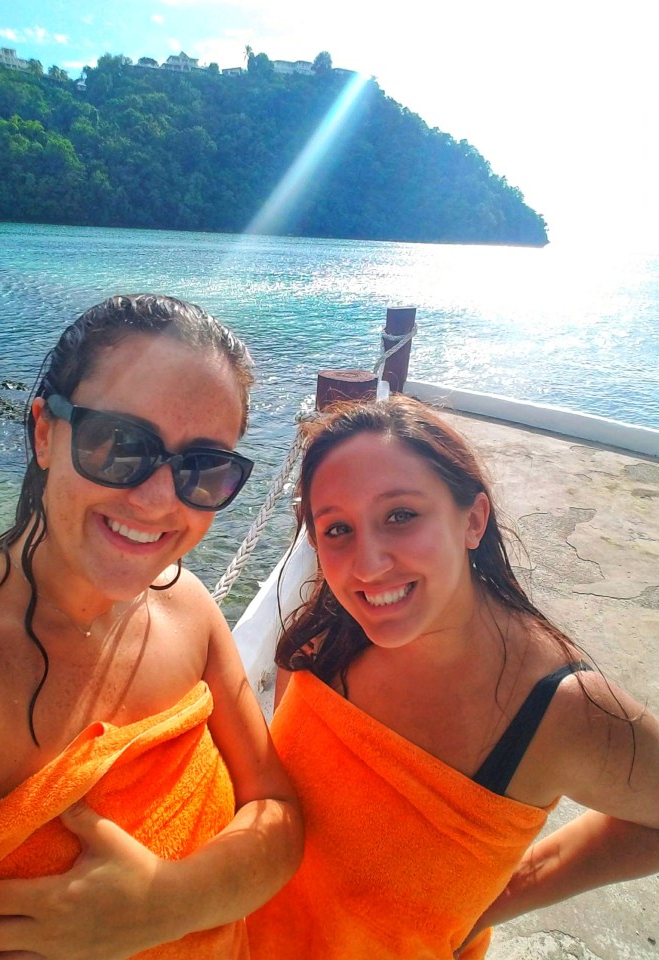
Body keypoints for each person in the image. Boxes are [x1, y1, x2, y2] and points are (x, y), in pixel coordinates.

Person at [0, 293, 303, 959]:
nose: (159, 500)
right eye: (119, 444)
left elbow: (278, 812)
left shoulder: (187, 608)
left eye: (204, 467)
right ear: (46, 432)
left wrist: (167, 902)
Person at [246, 393, 659, 960]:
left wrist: (492, 903)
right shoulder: (321, 636)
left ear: (473, 520)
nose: (367, 565)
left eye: (401, 516)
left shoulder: (555, 708)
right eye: (337, 529)